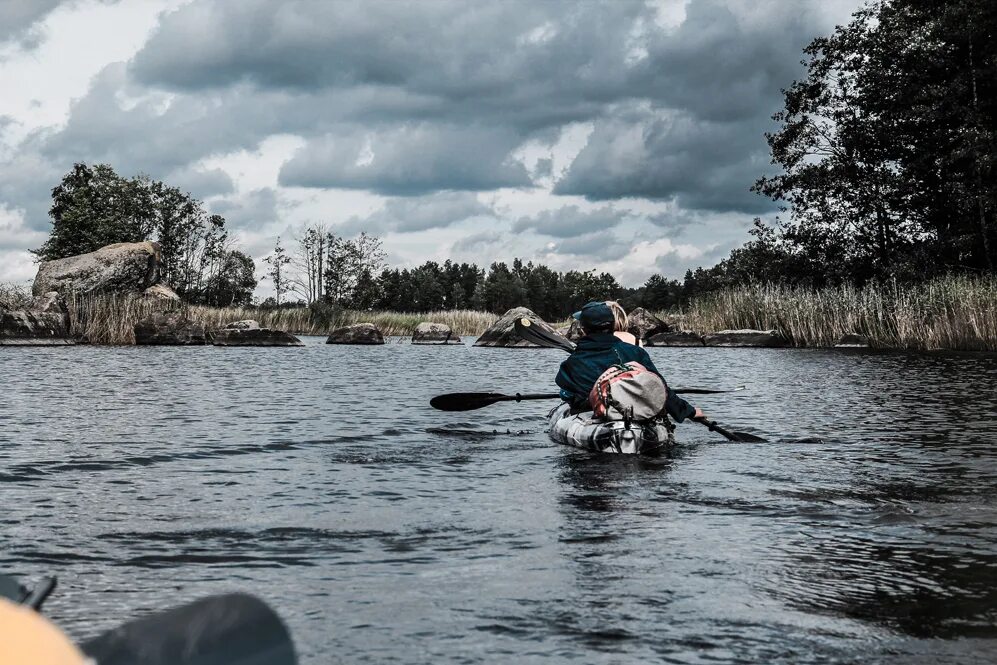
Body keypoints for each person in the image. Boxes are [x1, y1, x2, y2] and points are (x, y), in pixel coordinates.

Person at [555, 301, 705, 423]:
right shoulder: (635, 352)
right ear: (612, 325)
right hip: (633, 409)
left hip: (595, 413)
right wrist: (688, 411)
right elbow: (659, 386)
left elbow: (564, 387)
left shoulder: (573, 361)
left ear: (583, 330)